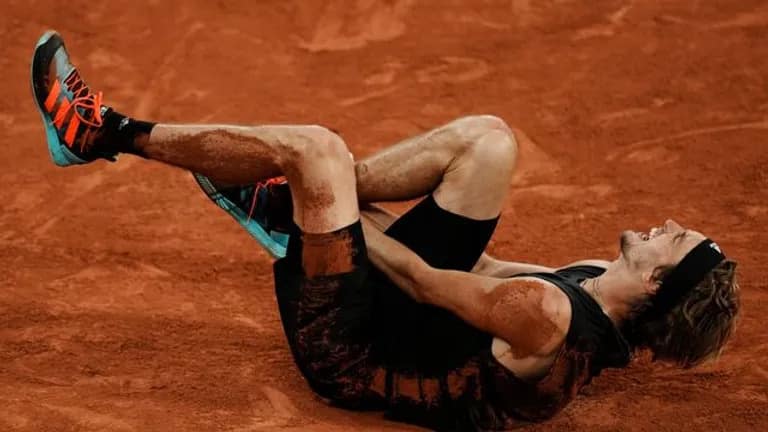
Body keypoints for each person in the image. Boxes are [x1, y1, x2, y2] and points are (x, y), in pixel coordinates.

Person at [31, 31, 740, 430]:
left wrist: (314, 207)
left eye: (676, 239)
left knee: (313, 149)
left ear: (656, 281)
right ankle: (302, 205)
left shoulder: (551, 317)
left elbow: (426, 281)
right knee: (489, 141)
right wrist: (335, 208)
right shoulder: (592, 283)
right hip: (411, 319)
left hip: (352, 352)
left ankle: (99, 134)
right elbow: (479, 269)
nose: (670, 224)